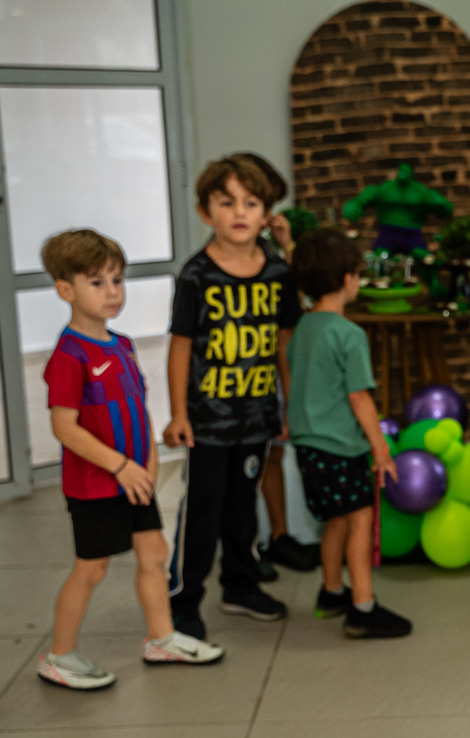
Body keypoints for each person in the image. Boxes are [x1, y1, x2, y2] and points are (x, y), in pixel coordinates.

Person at [37, 230, 224, 690]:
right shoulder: (69, 355)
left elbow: (137, 410)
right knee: (92, 568)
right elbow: (64, 427)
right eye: (97, 282)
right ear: (65, 290)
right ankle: (58, 656)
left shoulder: (122, 344)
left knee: (154, 553)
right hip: (97, 485)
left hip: (136, 479)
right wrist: (119, 467)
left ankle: (161, 638)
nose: (112, 292)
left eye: (117, 281)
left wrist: (148, 464)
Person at [164, 156, 302, 640]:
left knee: (243, 507)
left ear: (266, 213)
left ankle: (241, 585)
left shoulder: (279, 272)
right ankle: (183, 600)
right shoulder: (196, 274)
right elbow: (181, 346)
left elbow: (285, 342)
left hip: (256, 414)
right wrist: (178, 413)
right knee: (204, 510)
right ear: (206, 212)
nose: (239, 212)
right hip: (207, 419)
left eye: (251, 202)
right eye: (227, 203)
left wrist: (287, 405)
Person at [287, 229, 412, 639]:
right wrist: (381, 449)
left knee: (335, 520)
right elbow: (360, 398)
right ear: (347, 279)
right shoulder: (348, 335)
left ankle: (331, 592)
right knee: (360, 520)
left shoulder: (302, 329)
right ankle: (363, 607)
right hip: (342, 447)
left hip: (308, 447)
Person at [231, 152, 320, 578]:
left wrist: (288, 247)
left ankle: (279, 535)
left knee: (272, 452)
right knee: (243, 461)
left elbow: (299, 301)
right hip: (239, 377)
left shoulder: (269, 252)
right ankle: (244, 548)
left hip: (270, 371)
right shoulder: (227, 256)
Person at [342, 162, 453, 254]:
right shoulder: (386, 189)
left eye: (406, 171)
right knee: (381, 255)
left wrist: (442, 206)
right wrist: (351, 207)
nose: (403, 174)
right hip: (388, 231)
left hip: (412, 232)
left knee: (423, 257)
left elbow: (443, 208)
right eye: (401, 170)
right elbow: (362, 199)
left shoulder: (421, 191)